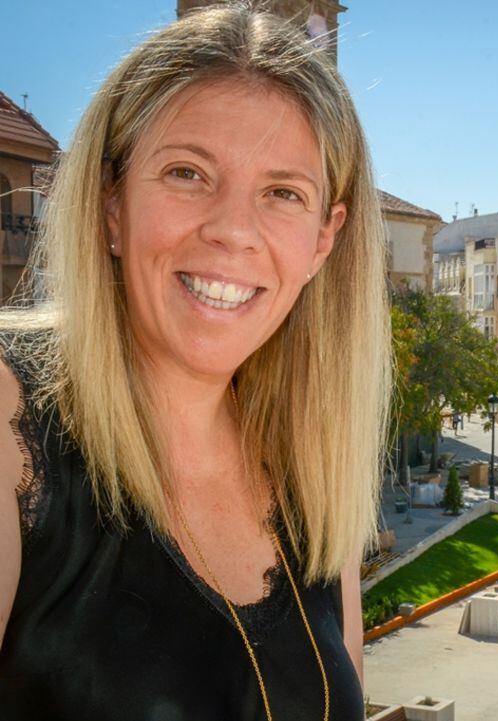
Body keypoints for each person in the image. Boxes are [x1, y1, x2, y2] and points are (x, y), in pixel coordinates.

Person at [0, 7, 388, 719]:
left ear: (323, 243)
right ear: (112, 201)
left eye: (283, 193)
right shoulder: (9, 423)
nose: (233, 231)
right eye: (187, 172)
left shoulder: (313, 467)